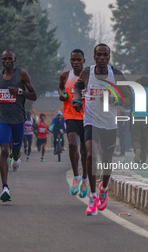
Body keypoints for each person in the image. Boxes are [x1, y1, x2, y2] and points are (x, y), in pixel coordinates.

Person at [73, 43, 132, 216]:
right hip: (91, 121)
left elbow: (129, 99)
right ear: (94, 56)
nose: (102, 58)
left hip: (109, 124)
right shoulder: (87, 73)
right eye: (99, 54)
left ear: (109, 56)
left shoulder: (117, 75)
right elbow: (77, 87)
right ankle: (92, 197)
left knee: (106, 160)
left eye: (105, 55)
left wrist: (116, 99)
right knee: (91, 154)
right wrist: (77, 99)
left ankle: (103, 188)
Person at [0, 50, 37, 202]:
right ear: (1, 60)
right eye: (4, 59)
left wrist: (19, 91)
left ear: (15, 60)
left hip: (18, 119)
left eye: (10, 59)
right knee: (4, 150)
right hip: (4, 119)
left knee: (15, 151)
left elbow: (34, 95)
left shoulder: (22, 75)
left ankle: (17, 158)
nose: (7, 61)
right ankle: (5, 187)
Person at [58, 49, 88, 198]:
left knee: (85, 151)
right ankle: (76, 176)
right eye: (73, 60)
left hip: (88, 117)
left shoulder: (90, 77)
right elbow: (61, 89)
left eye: (78, 60)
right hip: (70, 115)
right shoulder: (65, 76)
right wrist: (62, 95)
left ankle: (84, 179)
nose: (75, 62)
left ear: (84, 61)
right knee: (72, 144)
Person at [130, 76, 148, 163]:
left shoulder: (133, 93)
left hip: (136, 118)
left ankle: (137, 149)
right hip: (147, 118)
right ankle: (143, 159)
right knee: (145, 139)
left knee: (136, 138)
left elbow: (129, 105)